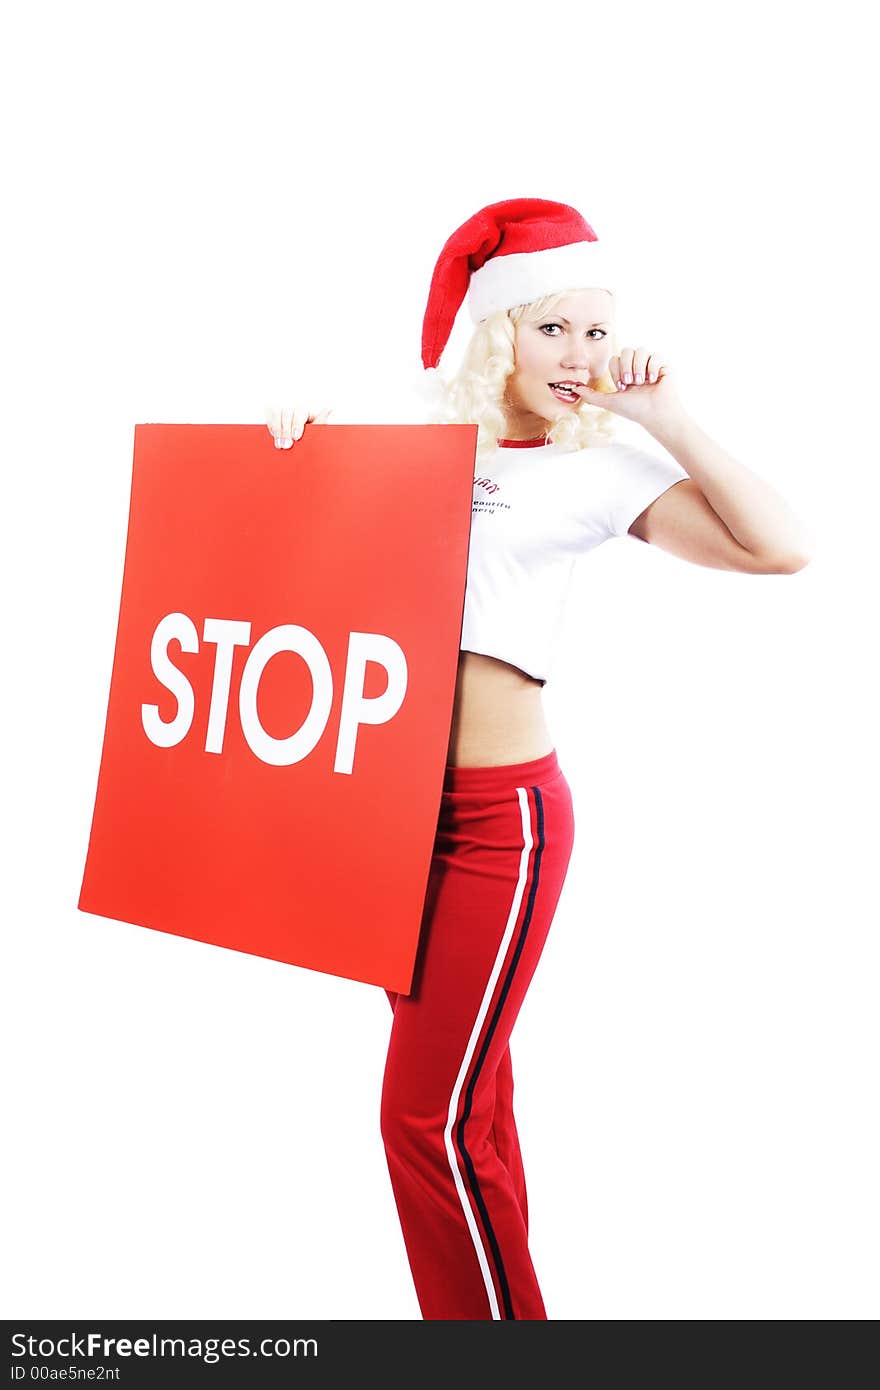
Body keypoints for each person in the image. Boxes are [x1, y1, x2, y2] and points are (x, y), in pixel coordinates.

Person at [265, 197, 812, 1320]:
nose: (582, 356)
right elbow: (292, 570)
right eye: (553, 327)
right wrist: (291, 446)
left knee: (423, 1117)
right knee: (474, 1111)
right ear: (494, 329)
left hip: (497, 826)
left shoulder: (599, 468)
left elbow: (780, 546)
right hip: (384, 810)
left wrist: (668, 415)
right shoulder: (413, 436)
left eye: (598, 332)